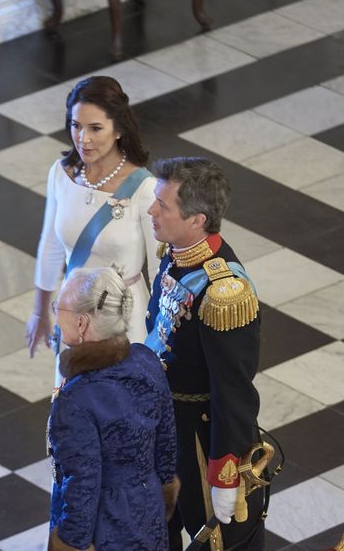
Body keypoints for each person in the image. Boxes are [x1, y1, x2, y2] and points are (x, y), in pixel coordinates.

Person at [145, 157, 265, 550]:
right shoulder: (176, 252)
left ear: (197, 219)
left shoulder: (224, 293)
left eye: (163, 205)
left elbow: (233, 394)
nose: (151, 210)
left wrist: (225, 475)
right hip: (164, 424)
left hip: (200, 440)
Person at [26, 76, 158, 383]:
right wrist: (40, 311)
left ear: (119, 129)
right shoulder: (61, 174)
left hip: (123, 316)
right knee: (72, 403)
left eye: (95, 128)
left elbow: (160, 269)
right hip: (73, 312)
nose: (82, 138)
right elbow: (50, 245)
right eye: (75, 125)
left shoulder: (144, 188)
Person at [47, 266, 180, 550]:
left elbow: (82, 483)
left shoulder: (76, 400)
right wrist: (165, 489)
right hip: (149, 514)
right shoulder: (146, 361)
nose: (56, 315)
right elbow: (167, 445)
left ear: (82, 323)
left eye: (59, 307)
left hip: (104, 529)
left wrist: (71, 542)